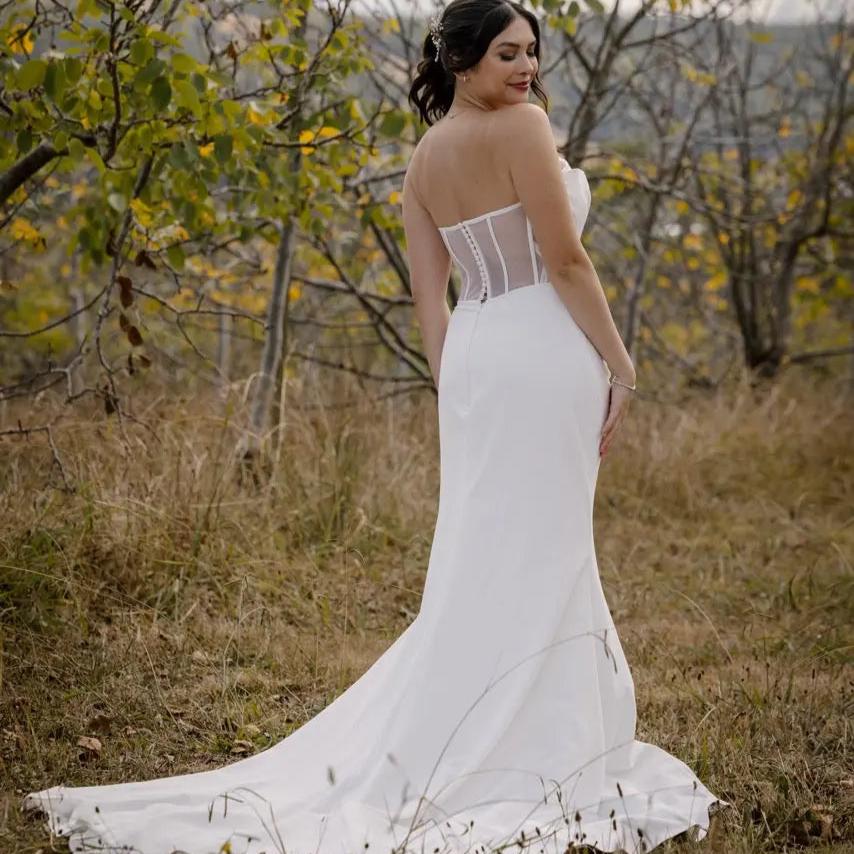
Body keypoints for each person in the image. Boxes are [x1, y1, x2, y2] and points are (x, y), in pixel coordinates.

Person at [23, 2, 730, 852]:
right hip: (541, 348)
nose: (526, 67)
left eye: (533, 52)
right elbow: (567, 261)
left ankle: (488, 722)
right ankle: (531, 741)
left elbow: (432, 303)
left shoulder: (425, 159)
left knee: (490, 545)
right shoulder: (526, 131)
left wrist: (455, 388)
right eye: (507, 52)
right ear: (461, 60)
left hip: (476, 356)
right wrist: (623, 364)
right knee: (540, 544)